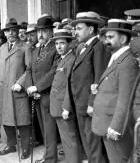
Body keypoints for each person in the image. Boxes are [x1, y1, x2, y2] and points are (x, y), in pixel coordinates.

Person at [63, 11, 110, 163]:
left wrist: (91, 103)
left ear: (90, 29)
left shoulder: (98, 48)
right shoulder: (82, 47)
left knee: (93, 144)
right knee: (87, 144)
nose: (75, 32)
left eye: (79, 28)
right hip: (80, 103)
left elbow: (99, 79)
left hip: (89, 106)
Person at [91, 19, 138, 163]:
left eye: (110, 37)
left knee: (119, 159)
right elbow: (113, 85)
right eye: (105, 37)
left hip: (114, 125)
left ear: (123, 39)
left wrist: (116, 126)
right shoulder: (116, 56)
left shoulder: (127, 62)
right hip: (107, 121)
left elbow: (126, 98)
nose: (106, 41)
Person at [0, 18, 31, 160]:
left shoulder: (25, 47)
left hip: (17, 90)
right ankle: (11, 144)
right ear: (5, 33)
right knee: (6, 119)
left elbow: (30, 69)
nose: (11, 33)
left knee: (22, 120)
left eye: (13, 30)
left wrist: (21, 83)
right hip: (3, 91)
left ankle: (26, 147)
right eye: (8, 31)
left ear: (18, 31)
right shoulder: (2, 48)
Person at [25, 15, 60, 163]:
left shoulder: (55, 48)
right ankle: (47, 155)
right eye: (39, 32)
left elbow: (54, 71)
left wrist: (38, 88)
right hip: (36, 94)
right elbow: (30, 70)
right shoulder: (37, 49)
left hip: (48, 94)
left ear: (51, 32)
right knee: (43, 127)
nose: (40, 35)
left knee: (49, 128)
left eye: (44, 31)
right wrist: (30, 88)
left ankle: (51, 158)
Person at [50, 29, 82, 163]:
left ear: (70, 44)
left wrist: (66, 108)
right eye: (56, 43)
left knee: (70, 140)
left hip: (64, 107)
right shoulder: (63, 59)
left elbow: (70, 85)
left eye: (62, 43)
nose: (58, 46)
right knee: (66, 139)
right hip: (58, 105)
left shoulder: (71, 60)